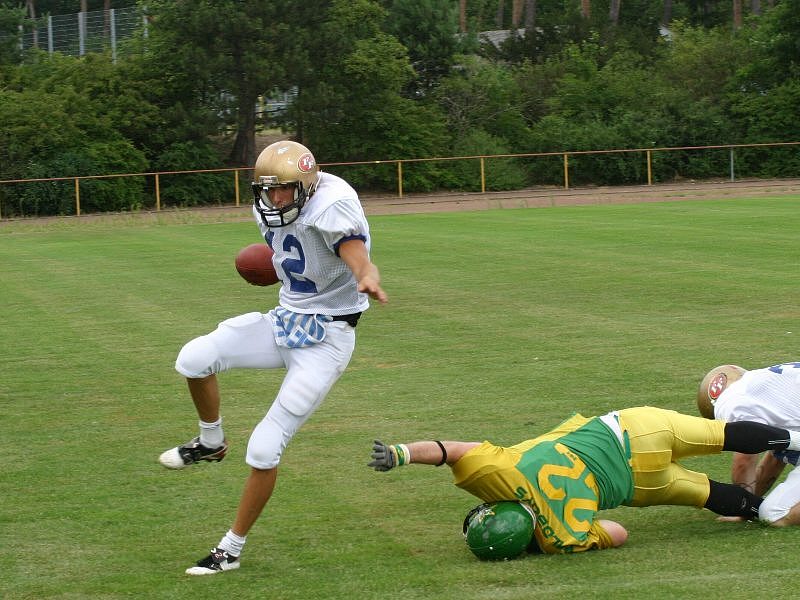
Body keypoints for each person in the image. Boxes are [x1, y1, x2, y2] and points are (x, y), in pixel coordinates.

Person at [159, 140, 388, 575]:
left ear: (307, 185)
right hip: (285, 320)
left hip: (327, 338)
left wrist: (367, 274)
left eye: (284, 189)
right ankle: (210, 442)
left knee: (264, 448)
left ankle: (229, 550)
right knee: (194, 358)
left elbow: (355, 251)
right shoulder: (268, 206)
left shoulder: (332, 205)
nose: (276, 199)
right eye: (269, 190)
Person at [368, 406, 800, 557]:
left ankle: (767, 508)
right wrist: (401, 453)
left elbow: (618, 531)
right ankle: (795, 440)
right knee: (723, 435)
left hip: (640, 485)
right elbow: (451, 450)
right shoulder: (499, 475)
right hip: (632, 430)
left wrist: (543, 542)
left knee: (711, 496)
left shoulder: (559, 537)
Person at [697, 361, 800, 526]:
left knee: (773, 514)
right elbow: (775, 459)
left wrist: (741, 508)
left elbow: (744, 461)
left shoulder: (729, 404)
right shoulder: (763, 385)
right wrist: (750, 505)